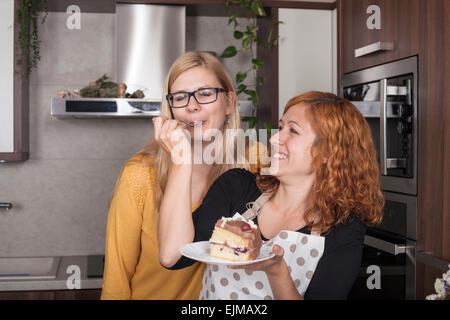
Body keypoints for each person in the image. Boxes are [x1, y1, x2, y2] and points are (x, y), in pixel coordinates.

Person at [158, 91, 385, 300]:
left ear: (327, 151)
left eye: (293, 131)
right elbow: (172, 257)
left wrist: (276, 271)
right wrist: (181, 161)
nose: (275, 139)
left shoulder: (343, 229)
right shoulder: (236, 187)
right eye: (280, 127)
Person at [101, 51, 266, 299]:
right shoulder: (140, 174)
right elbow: (117, 275)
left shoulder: (256, 160)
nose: (191, 105)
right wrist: (182, 161)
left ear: (229, 102)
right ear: (171, 109)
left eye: (206, 93)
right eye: (180, 97)